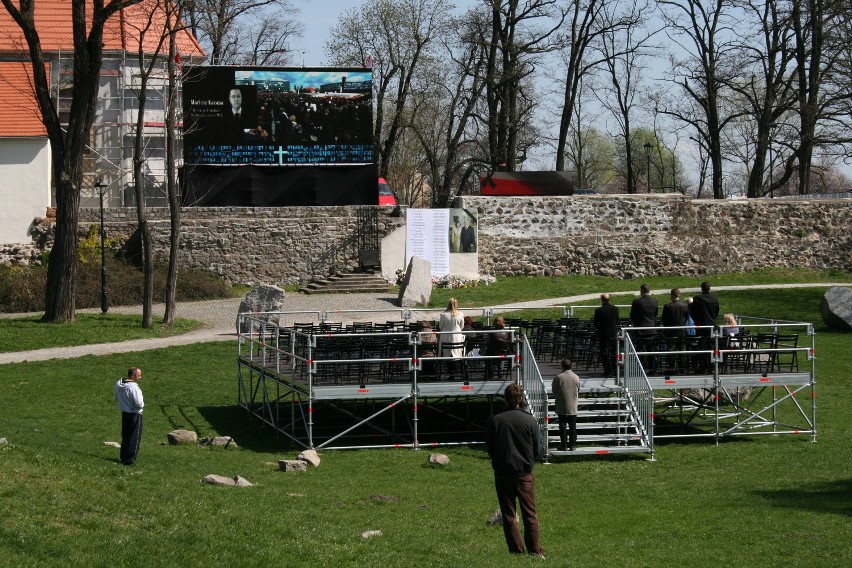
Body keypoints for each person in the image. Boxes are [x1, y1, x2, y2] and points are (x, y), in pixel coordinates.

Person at [485, 384, 543, 557]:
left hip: (503, 472)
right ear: (520, 399)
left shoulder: (495, 420)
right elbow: (536, 448)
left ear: (505, 398)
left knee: (509, 514)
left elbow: (490, 448)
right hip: (524, 473)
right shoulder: (529, 420)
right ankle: (535, 550)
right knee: (530, 514)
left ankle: (516, 550)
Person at [115, 367, 144, 466]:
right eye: (138, 375)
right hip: (134, 414)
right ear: (133, 375)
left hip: (125, 412)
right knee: (134, 437)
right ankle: (130, 460)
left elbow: (116, 397)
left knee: (126, 436)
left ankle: (123, 457)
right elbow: (139, 404)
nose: (140, 377)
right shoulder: (133, 388)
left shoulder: (119, 385)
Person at [690, 282, 720, 372]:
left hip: (702, 326)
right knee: (712, 347)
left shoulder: (697, 299)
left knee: (702, 347)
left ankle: (703, 366)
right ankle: (711, 366)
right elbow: (716, 312)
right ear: (709, 288)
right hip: (712, 325)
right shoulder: (714, 299)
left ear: (701, 288)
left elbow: (693, 312)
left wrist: (696, 321)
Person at [551, 358, 581, 451]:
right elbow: (578, 389)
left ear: (562, 366)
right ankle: (573, 445)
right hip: (572, 405)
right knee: (573, 426)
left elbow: (554, 391)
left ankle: (563, 445)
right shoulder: (576, 377)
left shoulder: (558, 377)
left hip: (562, 405)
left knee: (562, 426)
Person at [593, 293, 620, 377]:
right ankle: (615, 370)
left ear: (602, 300)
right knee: (614, 352)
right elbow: (617, 321)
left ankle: (607, 371)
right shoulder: (615, 309)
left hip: (603, 334)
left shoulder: (599, 311)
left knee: (605, 353)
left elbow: (596, 323)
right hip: (613, 333)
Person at [438, 298, 465, 378]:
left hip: (445, 336)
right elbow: (462, 327)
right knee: (456, 353)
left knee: (447, 353)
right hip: (457, 336)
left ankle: (451, 372)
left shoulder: (443, 315)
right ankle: (455, 372)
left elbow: (440, 327)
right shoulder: (460, 314)